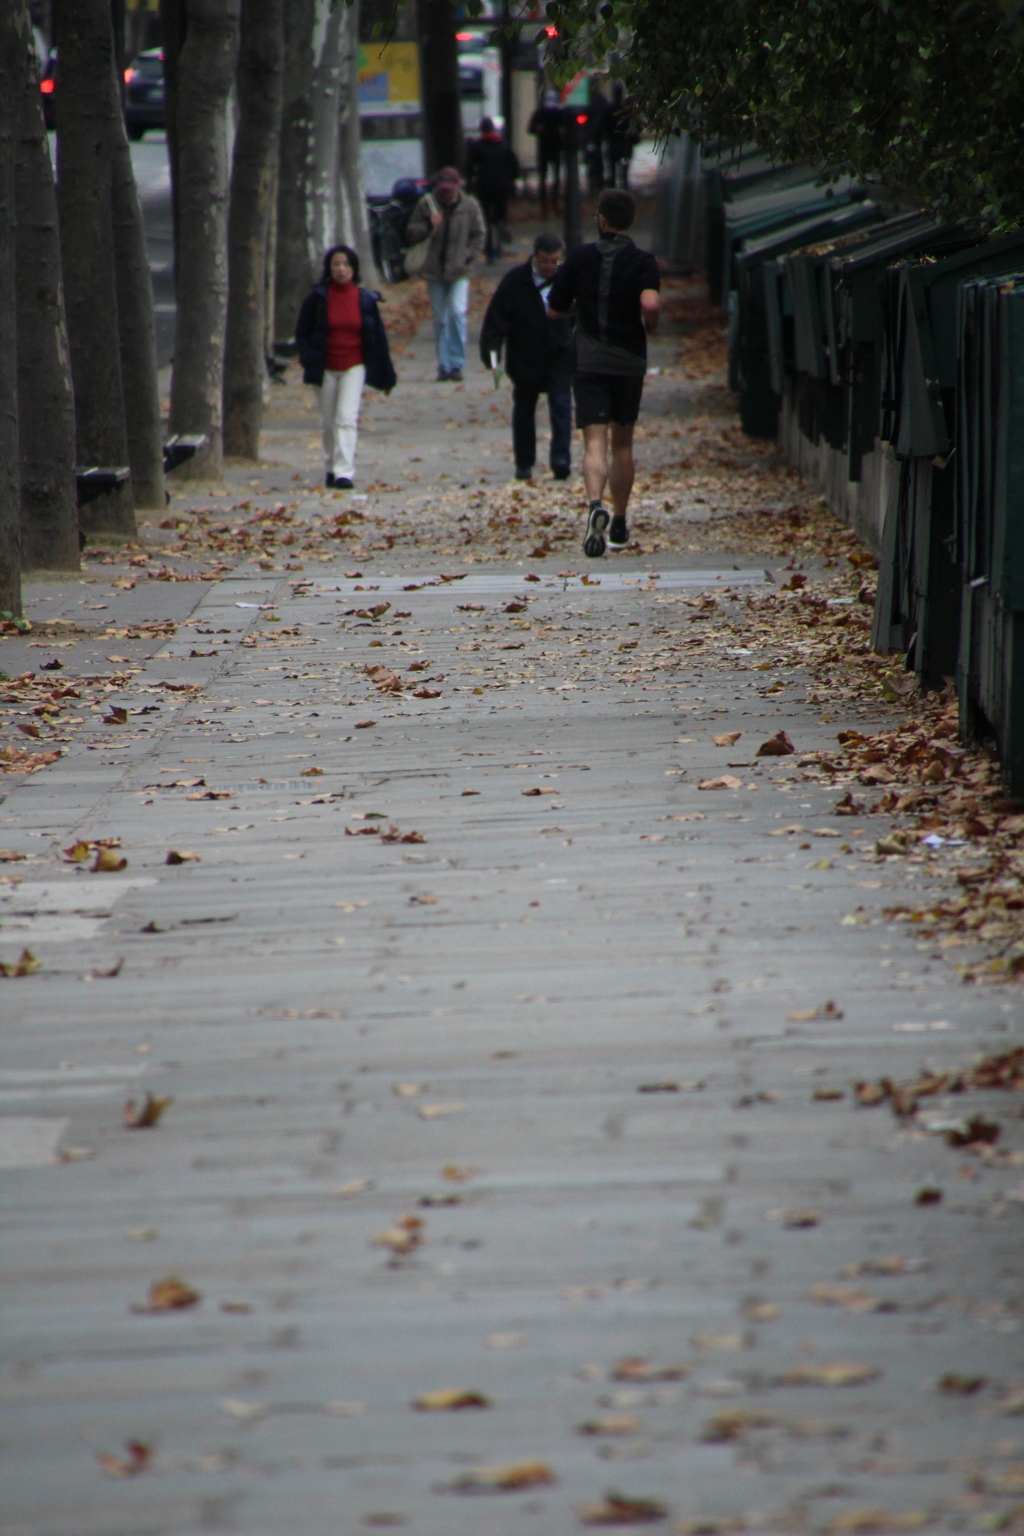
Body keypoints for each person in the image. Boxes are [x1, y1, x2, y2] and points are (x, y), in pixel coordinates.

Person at [546, 188, 660, 557]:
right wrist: (651, 323)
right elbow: (649, 302)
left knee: (594, 442)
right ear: (633, 221)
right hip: (629, 362)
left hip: (590, 360)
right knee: (623, 443)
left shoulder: (579, 258)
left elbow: (554, 309)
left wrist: (580, 310)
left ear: (601, 219)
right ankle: (622, 522)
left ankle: (596, 505)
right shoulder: (644, 261)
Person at [295, 244, 396, 489]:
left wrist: (386, 374)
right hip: (325, 367)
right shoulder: (318, 299)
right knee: (328, 422)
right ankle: (330, 466)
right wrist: (308, 358)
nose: (341, 269)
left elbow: (377, 338)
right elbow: (303, 332)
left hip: (354, 366)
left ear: (354, 269)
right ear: (329, 269)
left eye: (346, 265)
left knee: (346, 418)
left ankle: (344, 473)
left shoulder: (365, 300)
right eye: (336, 264)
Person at [480, 232, 573, 483]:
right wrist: (491, 354)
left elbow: (582, 318)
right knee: (524, 409)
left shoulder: (568, 279)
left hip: (560, 355)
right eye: (544, 261)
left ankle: (561, 460)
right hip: (525, 355)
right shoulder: (515, 281)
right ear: (534, 256)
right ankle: (524, 461)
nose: (549, 267)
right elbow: (496, 320)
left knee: (562, 405)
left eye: (554, 261)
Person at [404, 167, 486, 382]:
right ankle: (443, 364)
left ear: (458, 187)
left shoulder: (470, 206)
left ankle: (457, 362)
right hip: (434, 270)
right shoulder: (426, 204)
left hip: (459, 270)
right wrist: (428, 225)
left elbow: (479, 236)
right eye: (443, 190)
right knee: (440, 318)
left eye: (450, 190)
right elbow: (411, 232)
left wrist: (466, 256)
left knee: (458, 313)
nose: (446, 194)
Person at [466, 117, 519, 263]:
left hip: (484, 186)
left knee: (485, 220)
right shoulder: (503, 144)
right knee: (499, 215)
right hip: (501, 186)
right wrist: (510, 180)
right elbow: (514, 164)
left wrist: (470, 183)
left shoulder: (477, 146)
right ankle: (500, 233)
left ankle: (490, 251)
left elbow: (470, 167)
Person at [528, 92, 564, 217]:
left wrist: (539, 129)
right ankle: (551, 203)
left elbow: (530, 128)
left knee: (545, 178)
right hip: (554, 148)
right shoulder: (558, 113)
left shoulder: (541, 113)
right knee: (553, 177)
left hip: (546, 148)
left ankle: (546, 205)